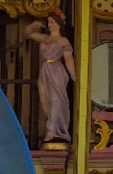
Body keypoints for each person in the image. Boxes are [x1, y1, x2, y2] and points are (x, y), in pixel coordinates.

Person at [24, 10, 77, 143]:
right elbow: (28, 33)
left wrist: (73, 75)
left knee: (56, 100)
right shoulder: (45, 38)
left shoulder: (63, 40)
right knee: (44, 99)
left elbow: (68, 58)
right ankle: (52, 125)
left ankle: (53, 130)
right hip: (44, 70)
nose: (50, 25)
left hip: (56, 70)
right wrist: (34, 25)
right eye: (49, 22)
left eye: (52, 22)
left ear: (59, 24)